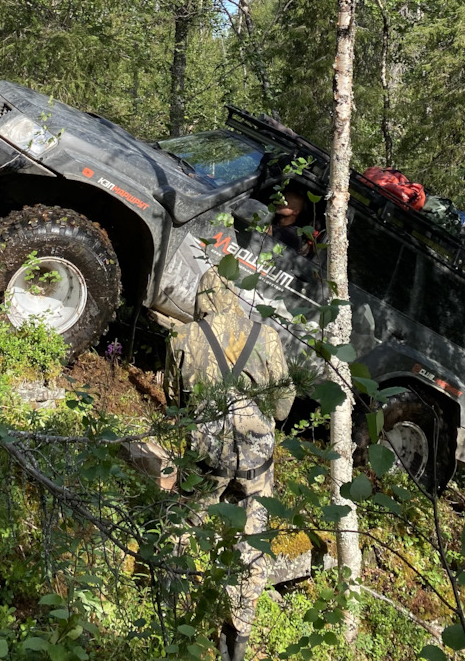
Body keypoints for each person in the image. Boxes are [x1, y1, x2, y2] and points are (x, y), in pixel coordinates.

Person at [167, 266, 295, 661]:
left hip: (207, 457)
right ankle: (234, 642)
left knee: (183, 526)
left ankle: (172, 613)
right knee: (252, 546)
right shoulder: (267, 336)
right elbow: (284, 403)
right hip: (257, 463)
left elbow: (173, 400)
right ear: (235, 297)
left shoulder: (183, 336)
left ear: (201, 300)